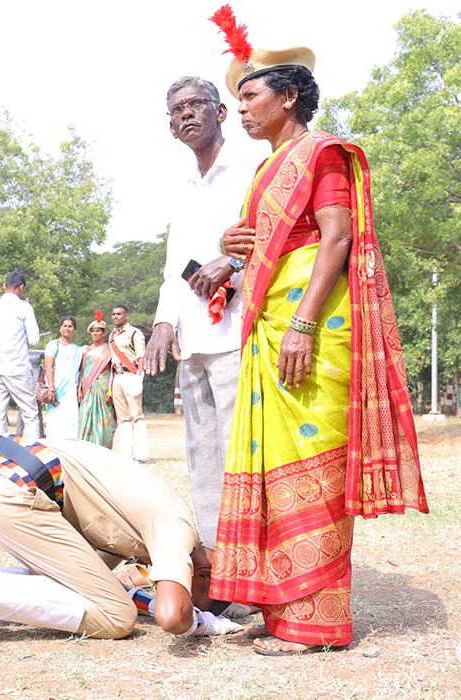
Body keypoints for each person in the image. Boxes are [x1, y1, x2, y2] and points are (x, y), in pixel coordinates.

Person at [207, 6, 429, 655]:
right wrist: (231, 243)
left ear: (290, 94)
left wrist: (303, 324)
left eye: (249, 96)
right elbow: (265, 246)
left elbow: (336, 237)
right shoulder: (264, 171)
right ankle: (280, 606)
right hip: (268, 328)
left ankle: (316, 623)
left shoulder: (321, 154)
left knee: (312, 468)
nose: (241, 110)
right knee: (277, 471)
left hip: (311, 327)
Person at [0, 436, 245, 650]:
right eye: (194, 593)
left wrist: (133, 589)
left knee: (83, 593)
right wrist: (199, 621)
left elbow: (96, 575)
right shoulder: (177, 530)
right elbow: (171, 616)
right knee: (117, 618)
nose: (173, 587)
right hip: (11, 491)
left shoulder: (157, 527)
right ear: (205, 572)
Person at [143, 75, 254, 550]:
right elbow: (174, 268)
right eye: (176, 110)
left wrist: (231, 263)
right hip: (193, 343)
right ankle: (220, 565)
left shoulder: (254, 168)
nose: (185, 114)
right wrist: (163, 323)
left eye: (195, 105)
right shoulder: (183, 185)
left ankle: (252, 566)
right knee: (202, 456)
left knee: (241, 455)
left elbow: (276, 241)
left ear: (221, 112)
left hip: (239, 334)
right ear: (170, 127)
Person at [0, 271, 40, 441]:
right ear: (22, 288)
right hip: (18, 367)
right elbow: (34, 340)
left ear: (4, 286)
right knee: (30, 412)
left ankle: (2, 452)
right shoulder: (25, 307)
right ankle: (35, 451)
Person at [109, 306, 148, 462]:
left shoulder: (134, 333)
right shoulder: (112, 335)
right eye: (113, 314)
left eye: (119, 314)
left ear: (126, 316)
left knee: (136, 415)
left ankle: (142, 454)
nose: (116, 317)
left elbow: (141, 357)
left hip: (131, 375)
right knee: (123, 418)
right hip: (117, 377)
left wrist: (140, 378)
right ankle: (126, 454)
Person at [77, 311, 116, 448]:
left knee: (104, 417)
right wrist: (79, 389)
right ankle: (85, 446)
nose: (95, 334)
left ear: (103, 333)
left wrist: (110, 390)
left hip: (103, 387)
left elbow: (112, 371)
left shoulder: (109, 350)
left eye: (98, 331)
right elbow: (82, 370)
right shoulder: (86, 350)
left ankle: (103, 446)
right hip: (88, 389)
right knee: (86, 414)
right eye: (93, 331)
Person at [44, 316, 83, 439]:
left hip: (71, 390)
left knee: (70, 419)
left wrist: (79, 389)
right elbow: (48, 367)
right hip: (55, 389)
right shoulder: (53, 345)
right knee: (55, 418)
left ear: (74, 329)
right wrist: (51, 388)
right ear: (60, 328)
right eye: (64, 326)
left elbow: (80, 372)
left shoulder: (78, 349)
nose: (67, 329)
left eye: (70, 326)